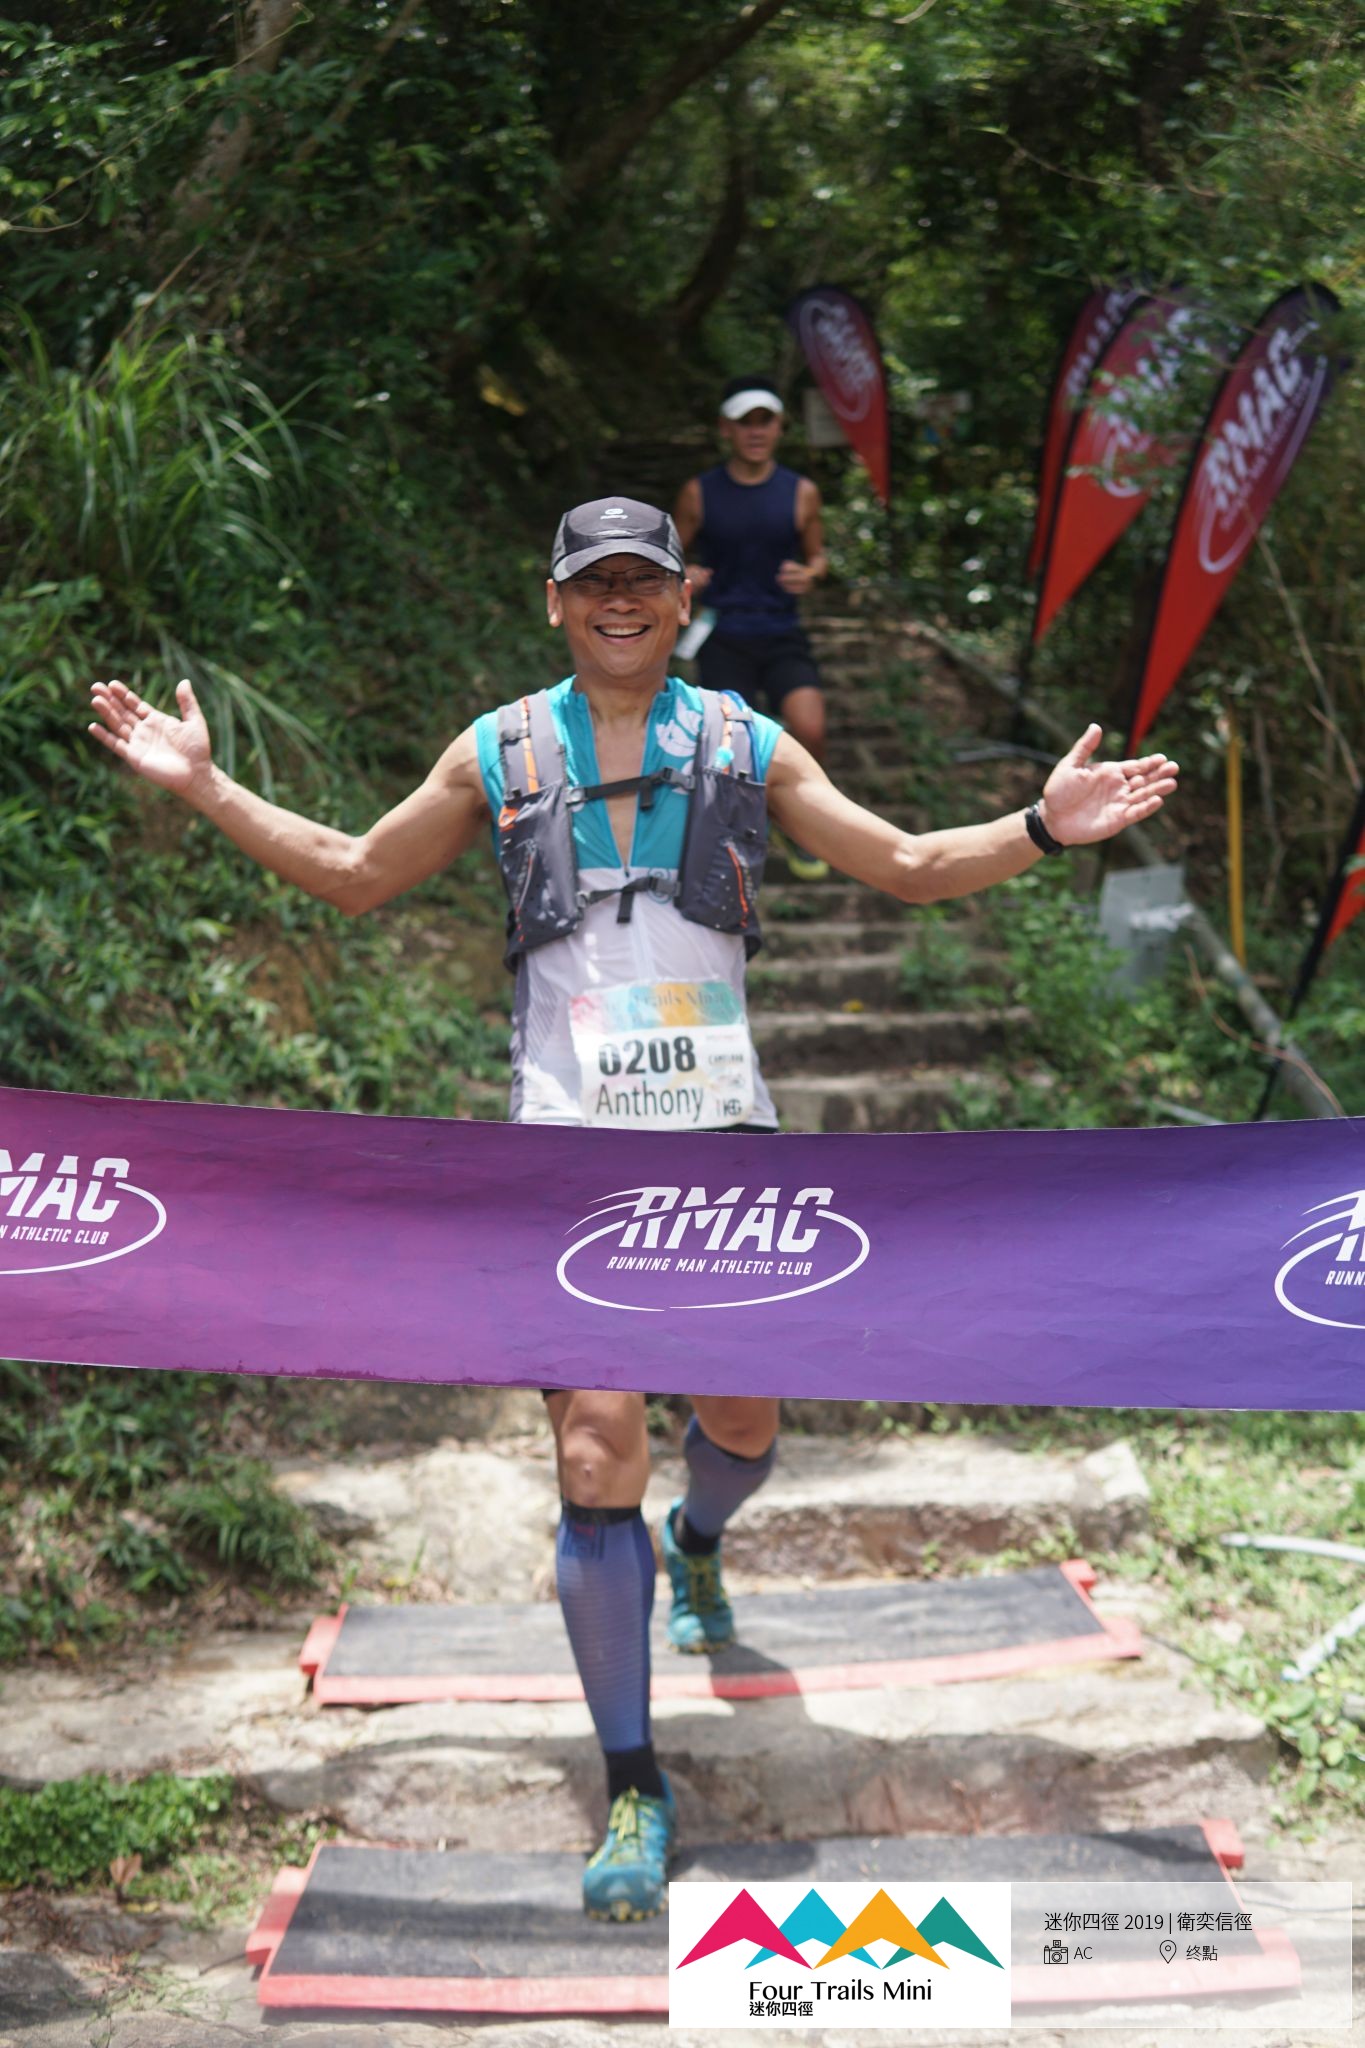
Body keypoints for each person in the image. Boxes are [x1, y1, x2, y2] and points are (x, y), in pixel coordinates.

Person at [88, 494, 1178, 1924]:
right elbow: (356, 876)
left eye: (642, 581)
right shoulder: (499, 749)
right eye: (592, 579)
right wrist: (204, 786)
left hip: (722, 1154)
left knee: (745, 1423)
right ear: (555, 600)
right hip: (565, 1160)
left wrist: (1041, 824)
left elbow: (908, 866)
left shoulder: (743, 740)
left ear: (680, 601)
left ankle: (701, 1543)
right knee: (597, 1445)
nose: (618, 600)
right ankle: (632, 1778)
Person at [674, 376, 831, 880]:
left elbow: (818, 557)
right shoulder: (699, 492)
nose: (756, 432)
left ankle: (801, 823)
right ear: (726, 429)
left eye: (766, 422)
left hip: (781, 631)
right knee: (730, 741)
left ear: (780, 428)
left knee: (810, 727)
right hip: (723, 633)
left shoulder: (801, 492)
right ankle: (734, 830)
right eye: (746, 423)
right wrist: (686, 574)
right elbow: (668, 554)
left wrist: (810, 574)